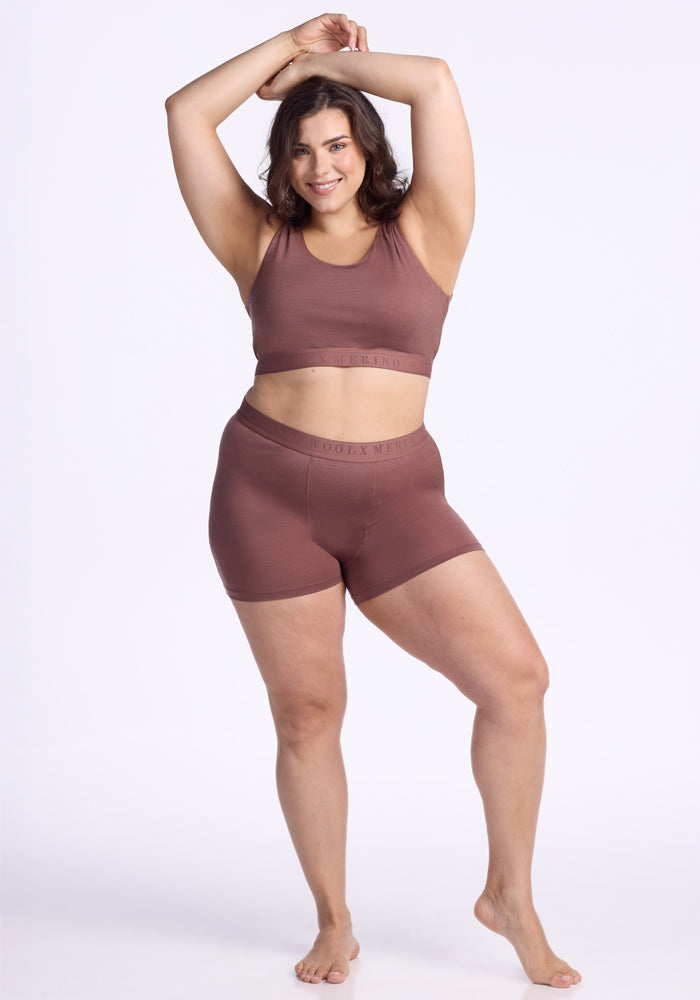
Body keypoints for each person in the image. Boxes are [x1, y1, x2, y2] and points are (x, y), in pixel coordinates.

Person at [165, 12, 581, 989]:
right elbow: (185, 113)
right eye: (301, 150)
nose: (319, 165)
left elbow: (434, 78)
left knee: (516, 681)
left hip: (397, 499)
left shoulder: (429, 231)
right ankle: (334, 921)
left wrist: (317, 64)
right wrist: (276, 50)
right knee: (309, 713)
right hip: (264, 493)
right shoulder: (257, 243)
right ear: (282, 163)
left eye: (336, 142)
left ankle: (508, 894)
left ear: (365, 145)